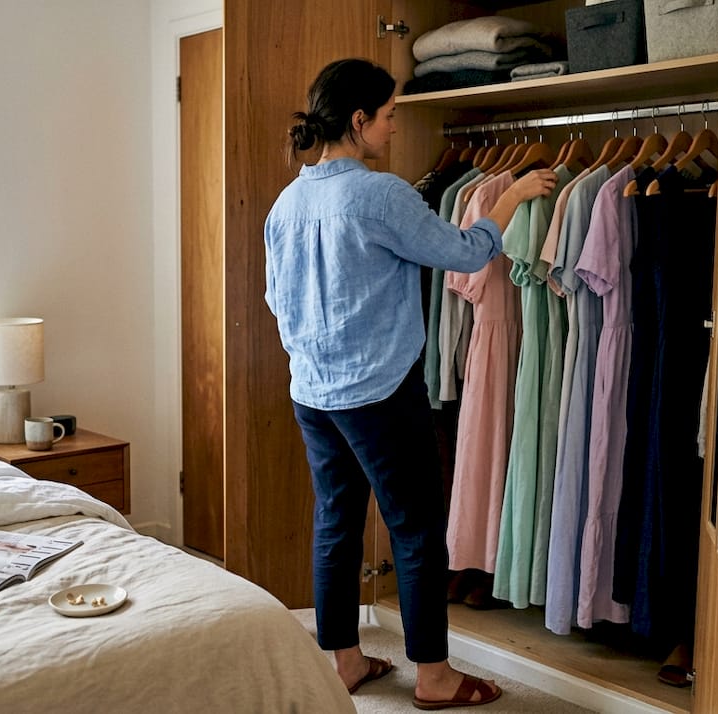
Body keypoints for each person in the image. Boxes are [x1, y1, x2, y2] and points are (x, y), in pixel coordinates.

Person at [263, 57, 557, 709]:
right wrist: (508, 197)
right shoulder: (380, 193)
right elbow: (466, 254)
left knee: (336, 523)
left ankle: (342, 662)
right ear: (360, 120)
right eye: (391, 115)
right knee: (417, 527)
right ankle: (435, 676)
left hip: (313, 392)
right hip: (379, 393)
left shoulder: (289, 202)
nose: (396, 127)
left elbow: (276, 300)